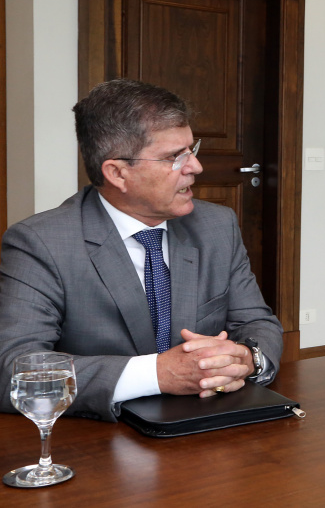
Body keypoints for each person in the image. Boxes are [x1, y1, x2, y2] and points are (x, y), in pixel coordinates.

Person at [0, 79, 284, 422]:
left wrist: (245, 359)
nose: (195, 167)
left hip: (212, 421)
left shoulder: (217, 225)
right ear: (118, 173)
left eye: (191, 149)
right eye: (174, 157)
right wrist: (156, 374)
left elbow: (256, 322)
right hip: (99, 437)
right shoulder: (40, 243)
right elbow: (13, 370)